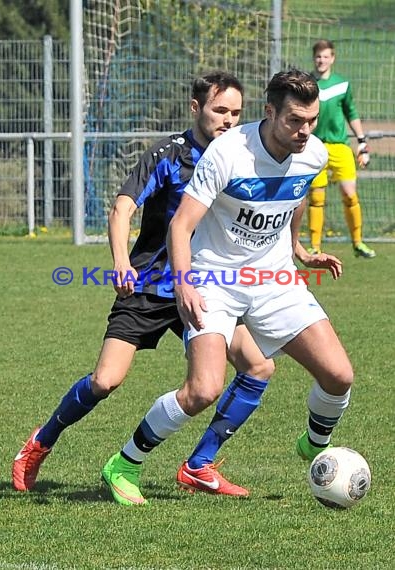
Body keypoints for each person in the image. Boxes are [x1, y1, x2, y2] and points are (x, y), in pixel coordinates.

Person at [12, 71, 275, 496]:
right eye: (219, 110)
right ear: (196, 109)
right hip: (149, 287)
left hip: (206, 290)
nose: (228, 120)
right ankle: (40, 442)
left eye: (236, 113)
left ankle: (200, 464)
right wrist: (120, 262)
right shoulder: (169, 155)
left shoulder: (242, 159)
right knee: (105, 381)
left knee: (258, 366)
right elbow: (121, 209)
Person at [101, 69, 351, 506]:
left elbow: (291, 199)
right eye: (295, 120)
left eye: (311, 120)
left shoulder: (313, 155)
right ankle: (124, 463)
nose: (304, 131)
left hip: (273, 279)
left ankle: (313, 445)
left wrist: (300, 250)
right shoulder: (228, 152)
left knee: (339, 376)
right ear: (270, 112)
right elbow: (181, 225)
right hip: (214, 278)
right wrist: (183, 285)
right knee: (203, 389)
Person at [308, 39, 376, 258]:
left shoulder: (342, 84)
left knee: (349, 193)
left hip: (340, 147)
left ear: (332, 58)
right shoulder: (307, 84)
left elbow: (352, 113)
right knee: (316, 197)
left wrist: (362, 141)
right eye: (318, 56)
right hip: (314, 147)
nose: (321, 60)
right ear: (314, 58)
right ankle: (315, 246)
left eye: (326, 56)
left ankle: (358, 242)